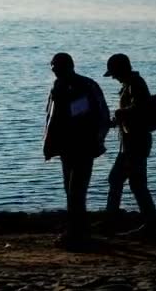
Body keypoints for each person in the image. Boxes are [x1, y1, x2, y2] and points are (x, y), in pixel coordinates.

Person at [43, 53, 110, 251]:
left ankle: (77, 233)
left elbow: (92, 117)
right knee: (72, 190)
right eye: (53, 66)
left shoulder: (79, 87)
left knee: (76, 190)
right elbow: (55, 119)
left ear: (68, 66)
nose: (54, 69)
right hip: (69, 147)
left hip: (82, 147)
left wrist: (96, 142)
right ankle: (77, 230)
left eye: (56, 66)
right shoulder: (64, 86)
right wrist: (50, 145)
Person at [103, 53, 156, 237]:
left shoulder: (135, 84)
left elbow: (141, 106)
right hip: (132, 143)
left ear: (121, 70)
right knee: (133, 183)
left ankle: (114, 221)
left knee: (123, 181)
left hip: (135, 143)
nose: (113, 77)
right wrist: (116, 120)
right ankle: (149, 223)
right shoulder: (130, 84)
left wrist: (121, 113)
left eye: (114, 73)